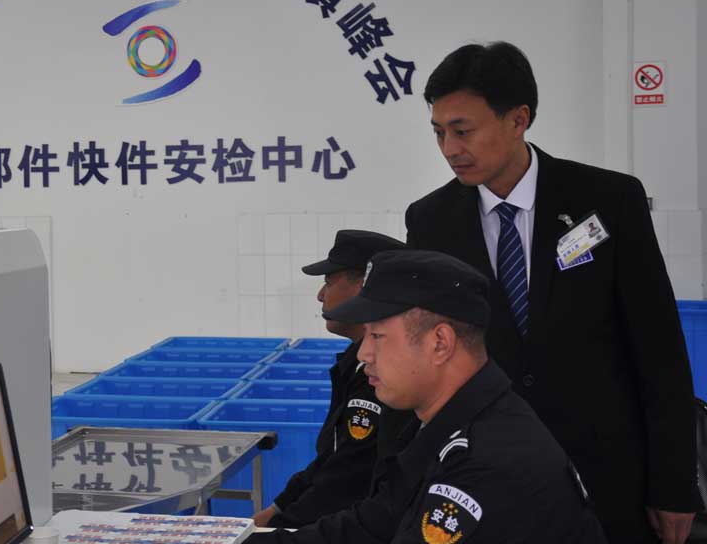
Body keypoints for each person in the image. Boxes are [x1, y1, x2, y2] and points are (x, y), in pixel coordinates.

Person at [403, 41, 700, 543]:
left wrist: (674, 484)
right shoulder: (431, 221)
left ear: (518, 120)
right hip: (484, 477)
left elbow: (659, 349)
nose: (449, 148)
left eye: (462, 130)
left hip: (607, 476)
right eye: (438, 132)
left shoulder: (607, 201)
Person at [245, 249, 606, 544]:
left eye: (377, 336)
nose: (364, 354)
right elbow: (376, 522)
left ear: (439, 343)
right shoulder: (440, 423)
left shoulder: (486, 462)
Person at [253, 230, 406, 528]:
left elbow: (348, 478)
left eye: (328, 282)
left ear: (364, 286)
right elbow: (332, 458)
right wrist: (279, 507)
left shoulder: (381, 376)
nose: (321, 295)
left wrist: (283, 527)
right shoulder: (354, 363)